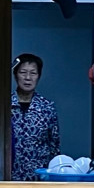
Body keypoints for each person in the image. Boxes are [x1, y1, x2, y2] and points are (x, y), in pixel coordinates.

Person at [6, 53, 60, 181]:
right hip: (10, 176)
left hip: (39, 176)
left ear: (39, 76)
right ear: (15, 75)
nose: (28, 78)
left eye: (33, 73)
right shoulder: (4, 105)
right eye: (23, 72)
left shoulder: (47, 107)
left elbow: (54, 146)